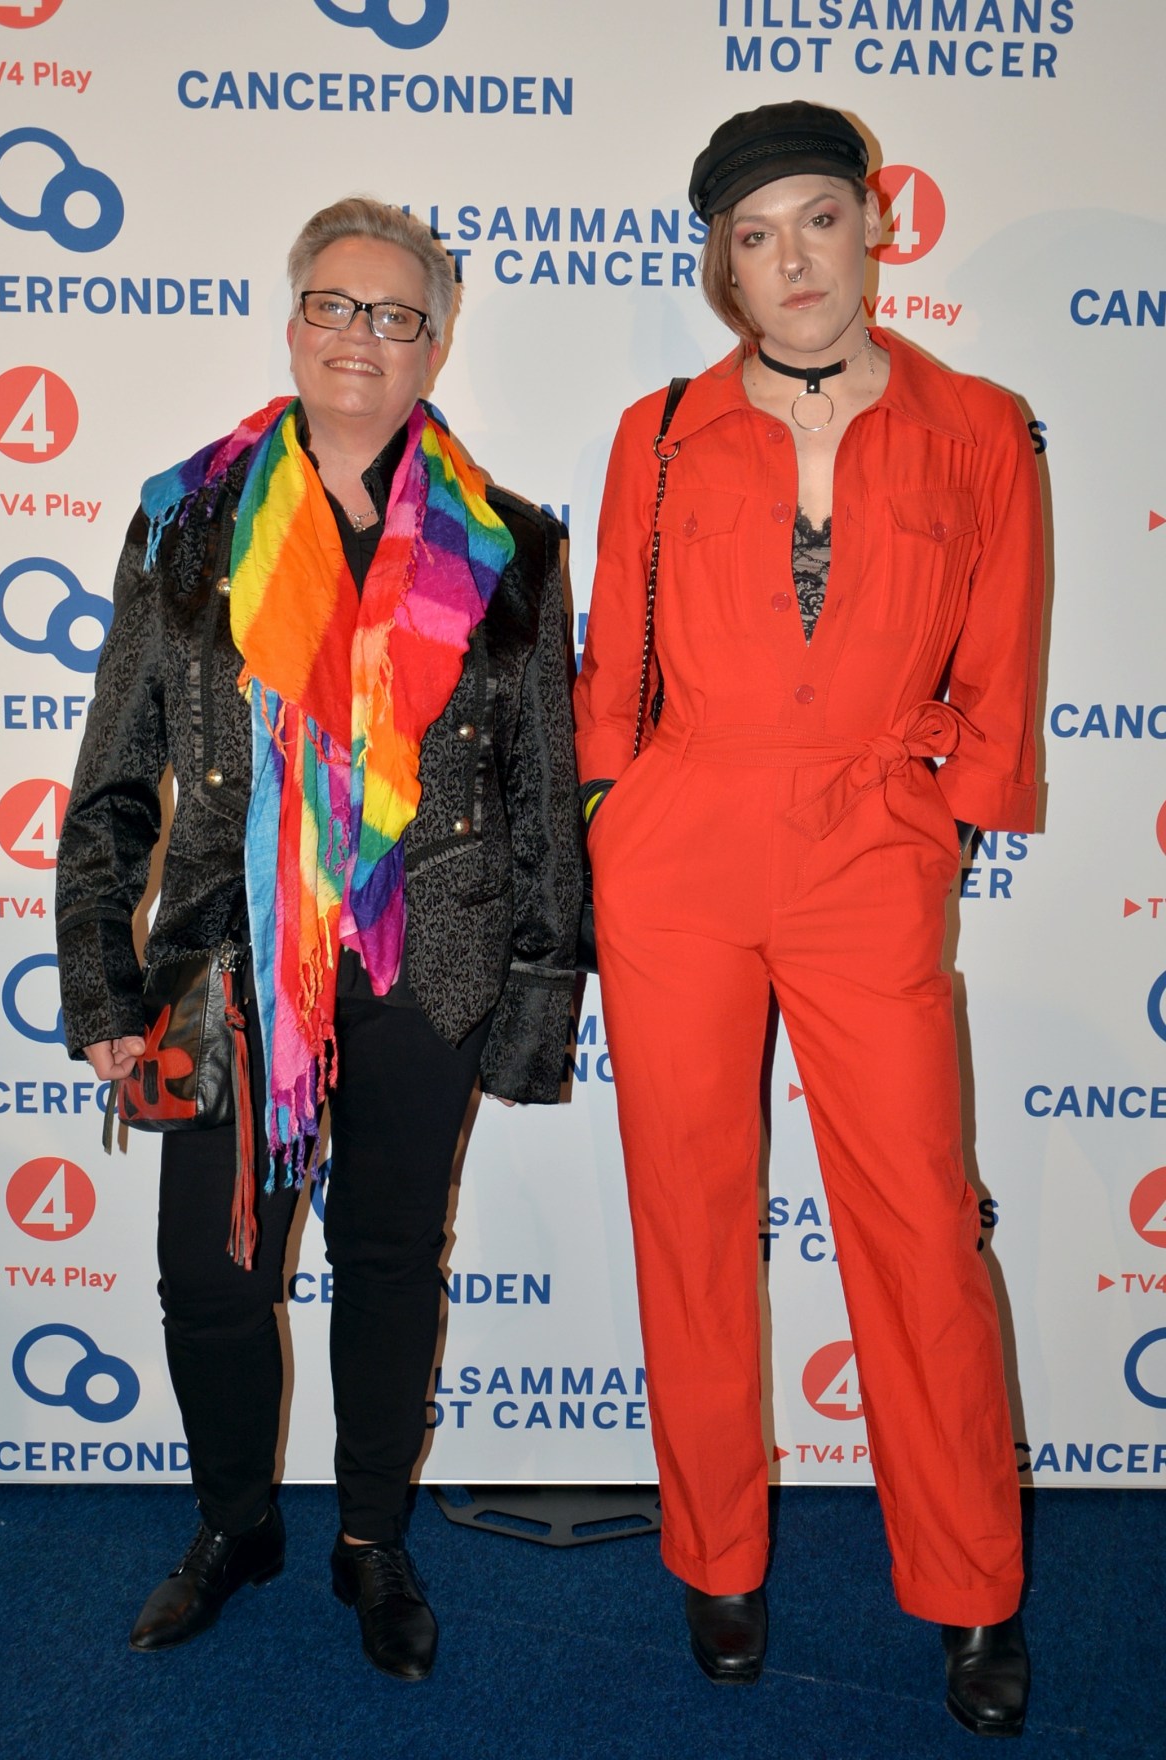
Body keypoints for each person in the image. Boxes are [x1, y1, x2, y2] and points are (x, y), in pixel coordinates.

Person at [56, 196, 581, 1680]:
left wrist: (535, 1008)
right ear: (293, 325)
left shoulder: (512, 547)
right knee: (211, 1277)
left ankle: (370, 1539)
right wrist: (103, 987)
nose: (363, 335)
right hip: (224, 968)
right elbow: (112, 780)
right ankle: (236, 1525)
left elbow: (546, 795)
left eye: (396, 314)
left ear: (435, 344)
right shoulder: (183, 524)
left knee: (392, 1259)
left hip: (435, 960)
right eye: (335, 305)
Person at [574, 102, 1043, 1737]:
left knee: (919, 1227)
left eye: (821, 220)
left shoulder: (980, 426)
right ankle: (716, 1560)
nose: (795, 262)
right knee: (692, 1219)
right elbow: (611, 664)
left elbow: (1002, 659)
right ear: (724, 260)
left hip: (869, 849)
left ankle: (973, 1589)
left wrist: (938, 822)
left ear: (875, 224)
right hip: (679, 855)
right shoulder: (659, 431)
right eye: (757, 234)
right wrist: (613, 811)